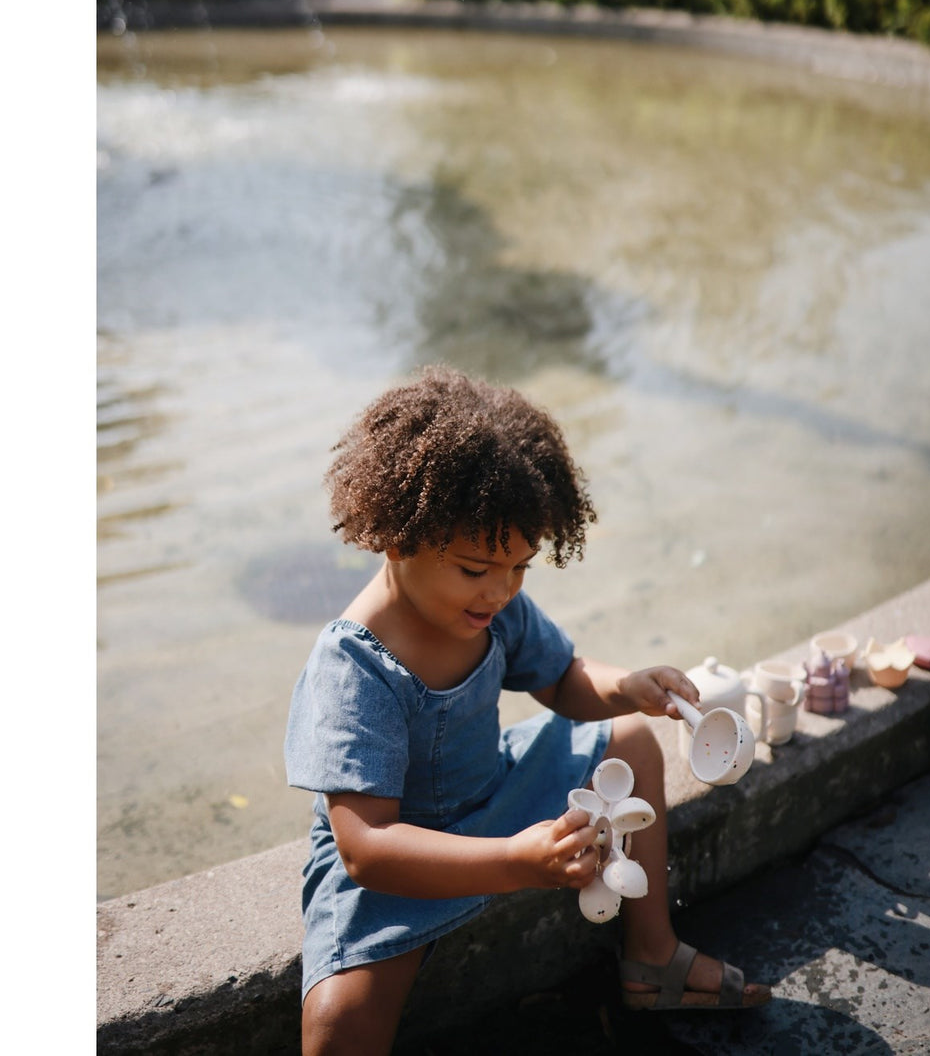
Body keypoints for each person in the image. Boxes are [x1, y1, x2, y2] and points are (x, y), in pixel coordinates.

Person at [284, 366, 770, 1055]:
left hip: (495, 793)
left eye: (520, 567)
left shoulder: (491, 607)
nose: (501, 591)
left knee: (630, 738)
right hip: (406, 856)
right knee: (338, 1024)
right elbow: (367, 848)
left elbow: (564, 679)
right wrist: (516, 860)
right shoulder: (354, 666)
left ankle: (652, 953)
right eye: (476, 569)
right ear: (398, 536)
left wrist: (628, 685)